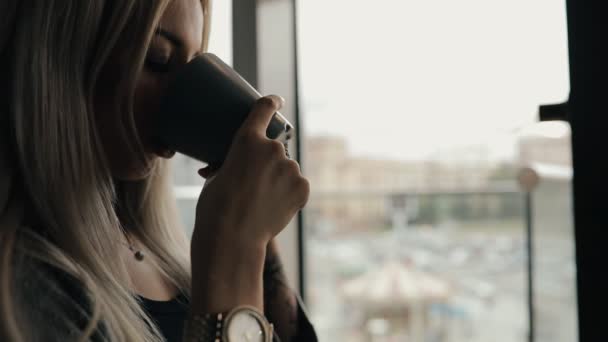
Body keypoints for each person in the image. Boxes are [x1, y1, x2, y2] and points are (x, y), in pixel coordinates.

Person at [0, 0, 316, 341]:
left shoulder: (153, 247)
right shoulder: (28, 287)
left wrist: (253, 221)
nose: (184, 95)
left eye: (195, 68)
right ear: (61, 63)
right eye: (158, 59)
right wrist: (236, 246)